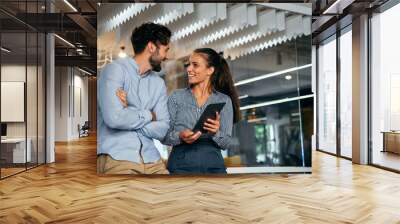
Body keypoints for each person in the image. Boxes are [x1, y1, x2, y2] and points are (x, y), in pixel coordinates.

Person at [97, 22, 171, 174]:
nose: (166, 56)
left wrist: (128, 111)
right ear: (151, 47)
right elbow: (114, 119)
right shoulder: (114, 70)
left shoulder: (158, 83)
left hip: (153, 160)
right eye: (165, 49)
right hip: (118, 157)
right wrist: (150, 115)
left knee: (174, 194)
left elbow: (163, 128)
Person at [162, 48, 241, 174]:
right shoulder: (176, 97)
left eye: (195, 65)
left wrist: (215, 132)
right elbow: (164, 136)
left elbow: (226, 143)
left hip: (213, 168)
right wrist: (180, 136)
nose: (188, 69)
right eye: (188, 64)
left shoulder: (224, 100)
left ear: (210, 70)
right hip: (180, 168)